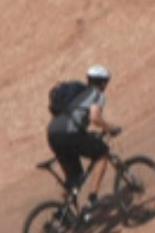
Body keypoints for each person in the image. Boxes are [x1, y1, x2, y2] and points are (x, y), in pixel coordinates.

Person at [46, 64, 122, 213]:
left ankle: (62, 214)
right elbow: (95, 117)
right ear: (103, 82)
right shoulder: (97, 94)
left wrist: (89, 134)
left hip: (53, 133)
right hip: (69, 134)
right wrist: (110, 128)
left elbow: (76, 120)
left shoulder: (79, 95)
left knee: (75, 178)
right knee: (102, 153)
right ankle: (92, 199)